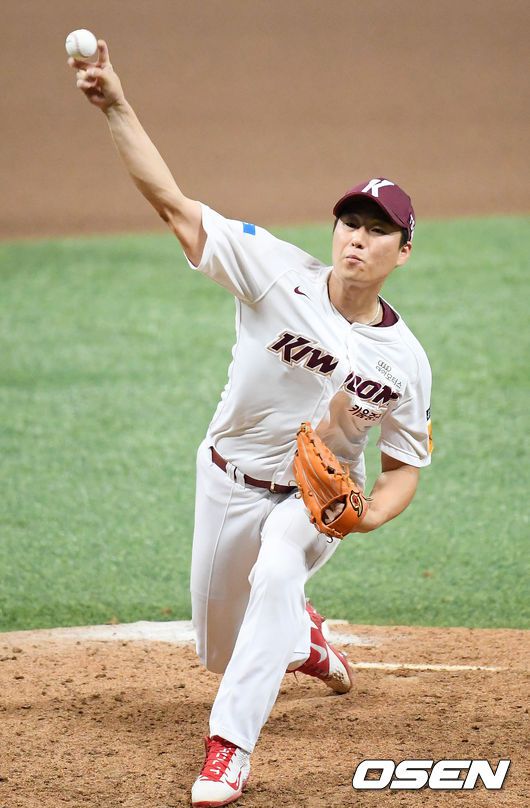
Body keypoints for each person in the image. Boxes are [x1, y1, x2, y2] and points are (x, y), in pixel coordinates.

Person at [69, 41, 433, 807]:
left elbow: (405, 466)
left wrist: (368, 516)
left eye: (377, 230)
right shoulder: (272, 272)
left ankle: (229, 749)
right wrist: (116, 106)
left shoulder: (405, 361)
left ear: (403, 251)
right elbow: (174, 206)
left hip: (314, 499)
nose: (357, 238)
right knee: (219, 647)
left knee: (277, 568)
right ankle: (302, 638)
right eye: (349, 223)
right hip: (227, 477)